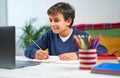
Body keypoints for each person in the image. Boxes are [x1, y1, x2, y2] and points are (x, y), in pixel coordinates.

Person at [25, 2, 108, 61]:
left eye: (56, 20)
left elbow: (103, 50)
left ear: (68, 21)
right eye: (50, 20)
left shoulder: (81, 36)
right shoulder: (49, 35)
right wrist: (35, 53)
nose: (52, 24)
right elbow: (29, 49)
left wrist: (77, 55)